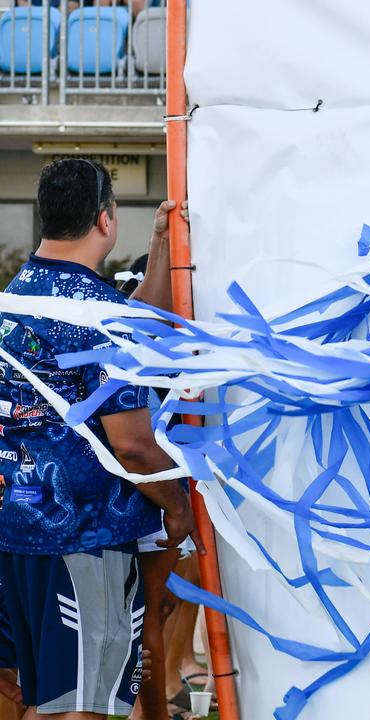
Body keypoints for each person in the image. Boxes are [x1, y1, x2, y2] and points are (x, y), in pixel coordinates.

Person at [0, 159, 194, 718]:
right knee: (79, 707)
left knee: (42, 697)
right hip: (82, 540)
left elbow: (134, 331)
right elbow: (131, 444)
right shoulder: (98, 313)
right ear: (106, 219)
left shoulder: (17, 296)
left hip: (18, 529)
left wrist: (160, 250)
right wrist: (177, 503)